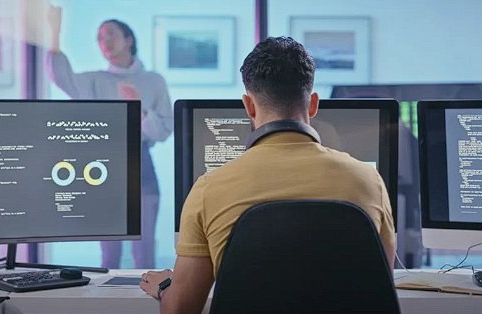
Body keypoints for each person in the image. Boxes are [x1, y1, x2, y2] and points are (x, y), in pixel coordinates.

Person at [139, 37, 396, 313]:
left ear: (249, 106)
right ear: (313, 105)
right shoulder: (369, 181)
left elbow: (181, 311)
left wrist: (167, 285)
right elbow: (381, 285)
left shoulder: (208, 189)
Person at [46, 6, 173, 269]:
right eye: (100, 38)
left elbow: (164, 129)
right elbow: (61, 77)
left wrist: (140, 110)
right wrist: (54, 33)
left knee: (145, 251)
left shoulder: (153, 81)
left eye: (111, 34)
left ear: (129, 39)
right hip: (102, 167)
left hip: (141, 166)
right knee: (109, 253)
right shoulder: (94, 81)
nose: (105, 41)